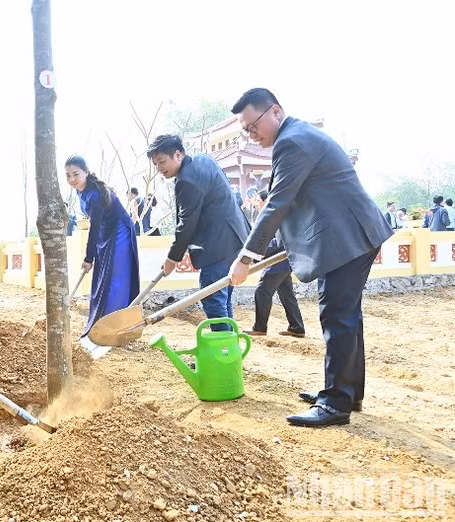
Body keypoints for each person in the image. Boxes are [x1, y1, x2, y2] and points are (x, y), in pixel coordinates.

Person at [228, 88, 392, 427]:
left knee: (336, 315)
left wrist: (245, 257)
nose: (251, 133)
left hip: (349, 238)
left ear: (275, 111)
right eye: (245, 130)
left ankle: (335, 403)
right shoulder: (298, 136)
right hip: (350, 235)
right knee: (346, 316)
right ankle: (347, 393)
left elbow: (277, 202)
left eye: (253, 125)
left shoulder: (293, 141)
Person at [148, 134, 249, 331]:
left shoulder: (187, 180)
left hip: (217, 247)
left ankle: (223, 356)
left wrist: (172, 258)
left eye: (162, 161)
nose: (159, 169)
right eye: (156, 164)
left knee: (212, 300)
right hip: (235, 240)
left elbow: (186, 223)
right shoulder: (204, 160)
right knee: (222, 299)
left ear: (178, 154)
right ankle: (229, 353)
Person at [65, 155, 140, 354]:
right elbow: (96, 225)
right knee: (101, 280)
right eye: (68, 176)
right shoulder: (81, 192)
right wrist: (92, 255)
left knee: (116, 279)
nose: (72, 179)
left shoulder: (95, 195)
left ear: (86, 172)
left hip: (120, 231)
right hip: (105, 233)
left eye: (76, 174)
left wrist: (89, 258)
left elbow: (94, 227)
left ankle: (114, 329)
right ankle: (100, 326)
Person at [243, 191, 305, 338]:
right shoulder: (279, 214)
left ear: (266, 201)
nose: (257, 204)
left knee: (262, 291)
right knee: (287, 294)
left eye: (259, 201)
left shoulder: (278, 215)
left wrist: (257, 254)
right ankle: (297, 327)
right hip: (283, 262)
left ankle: (260, 327)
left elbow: (277, 244)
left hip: (278, 262)